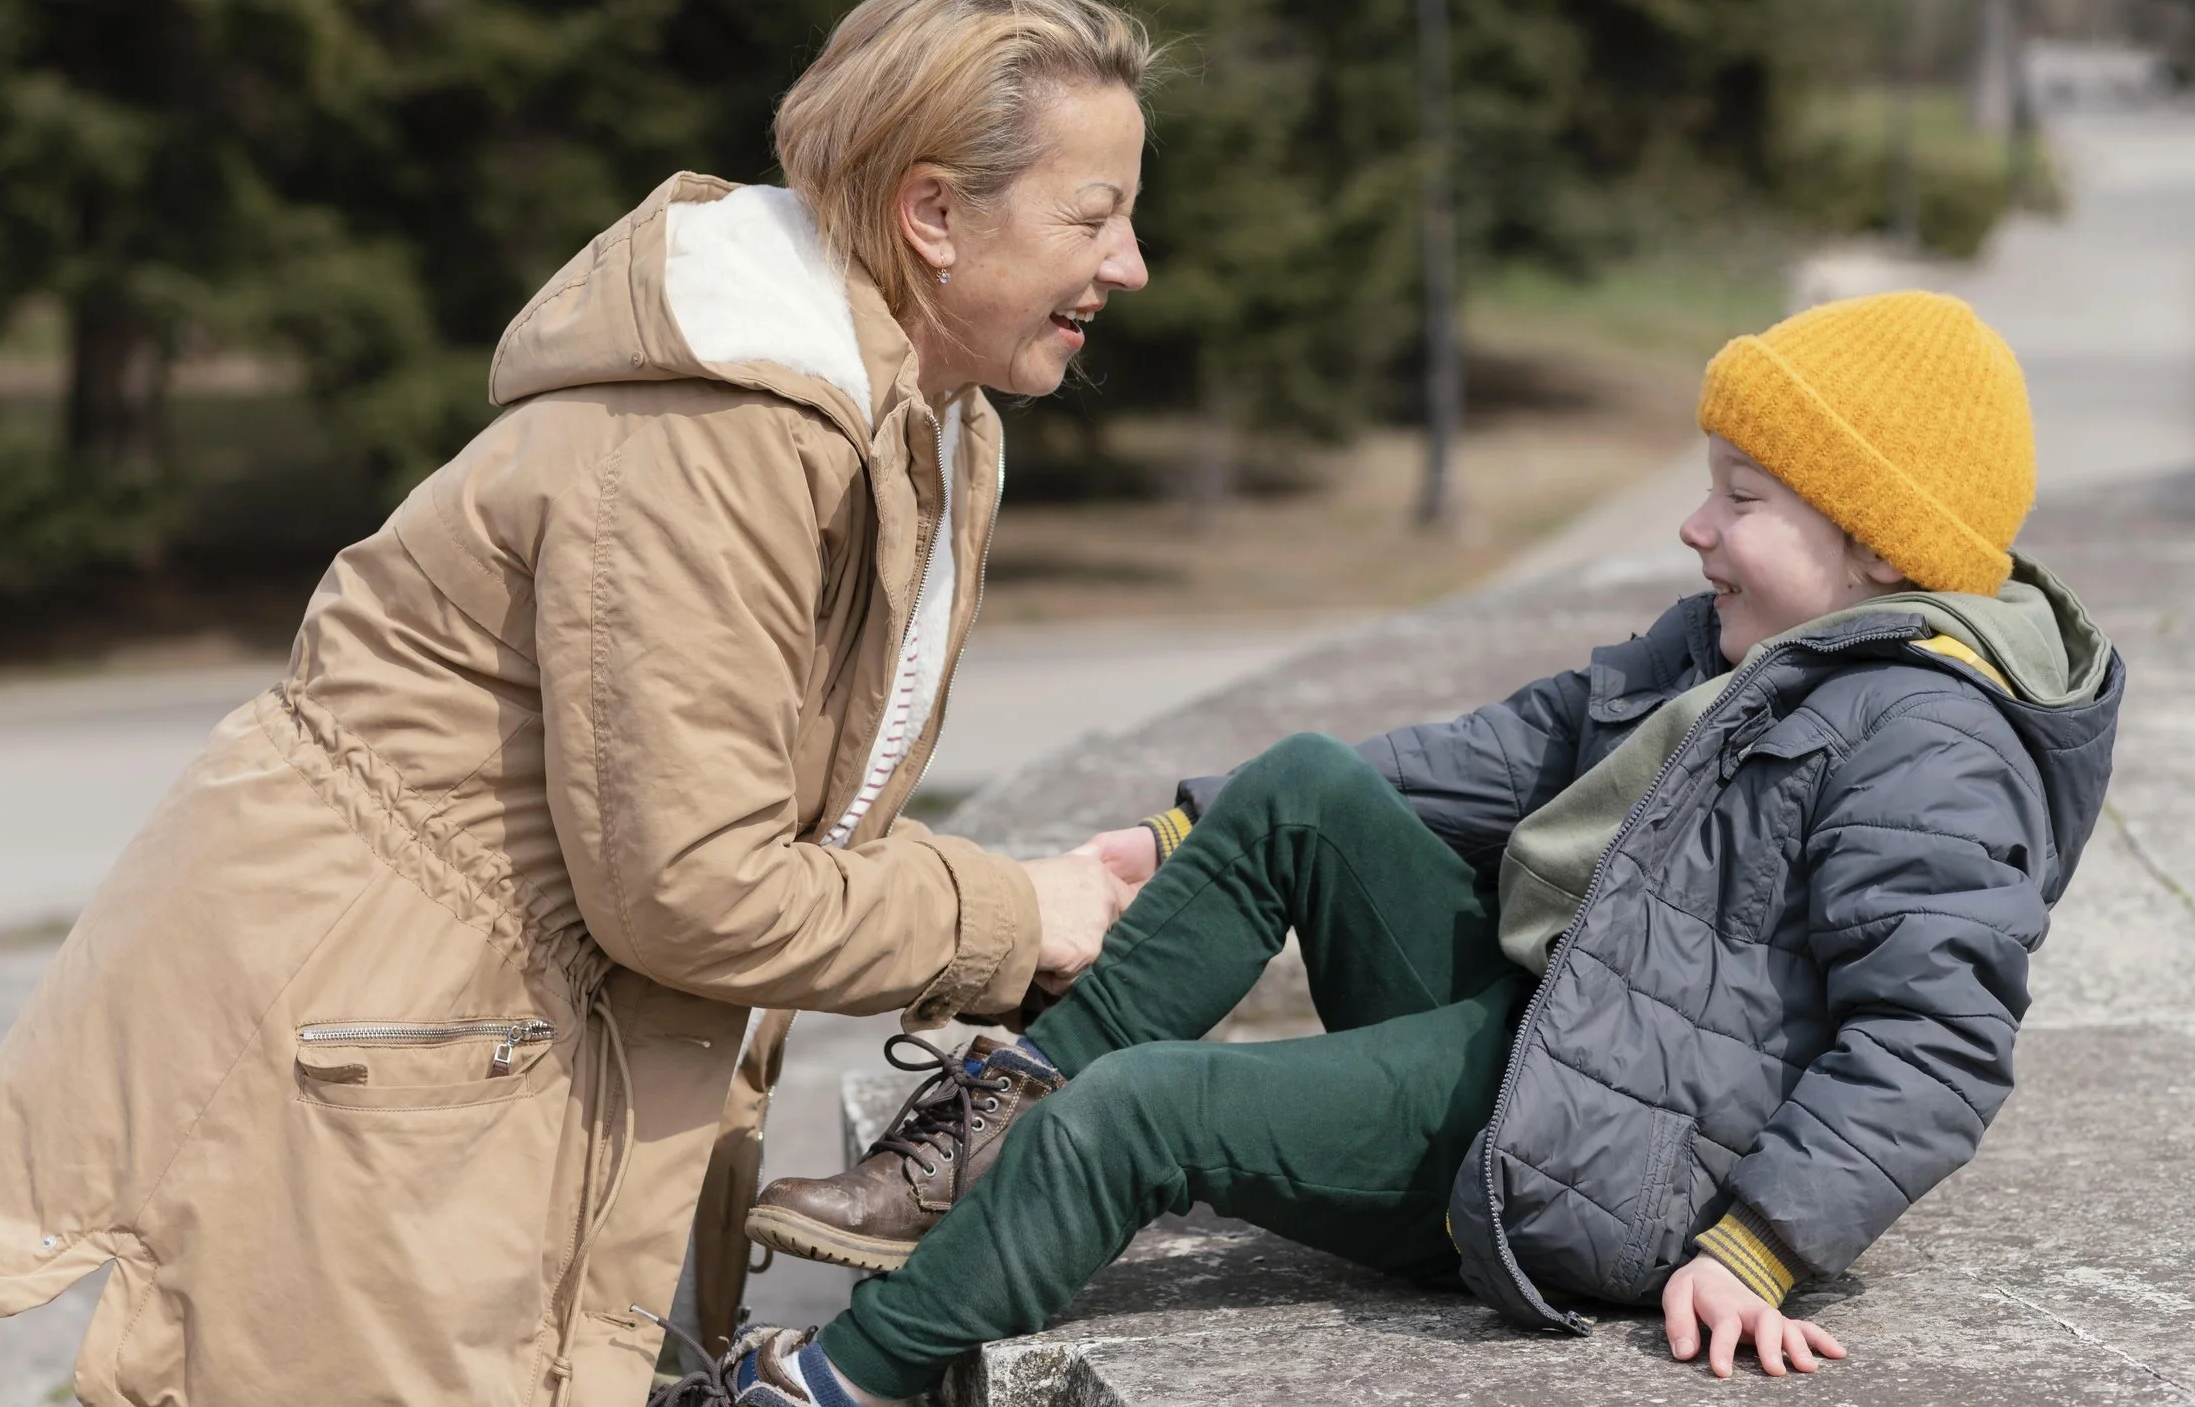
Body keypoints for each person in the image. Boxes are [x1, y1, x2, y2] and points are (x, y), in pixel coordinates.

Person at [0, 0, 1153, 1407]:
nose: (1128, 263)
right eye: (1093, 213)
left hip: (453, 1049)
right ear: (934, 215)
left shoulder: (927, 424)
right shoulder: (723, 441)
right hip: (378, 1056)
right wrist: (1010, 914)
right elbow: (691, 884)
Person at [715, 289, 2124, 1405]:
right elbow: (1516, 745)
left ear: (1879, 545)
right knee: (1302, 783)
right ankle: (991, 1128)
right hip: (1558, 1031)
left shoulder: (1931, 739)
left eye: (1744, 500)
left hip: (1586, 1151)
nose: (1696, 527)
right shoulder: (1742, 645)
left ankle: (832, 1381)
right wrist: (1182, 831)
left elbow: (1935, 1036)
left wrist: (1762, 1242)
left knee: (1145, 1108)